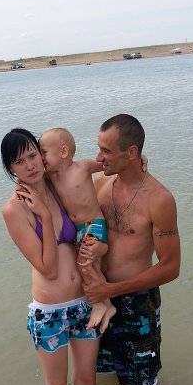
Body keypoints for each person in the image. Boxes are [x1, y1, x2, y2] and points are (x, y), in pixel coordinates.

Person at [79, 114, 181, 385]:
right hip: (99, 300)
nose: (98, 158)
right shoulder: (100, 185)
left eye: (106, 151)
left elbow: (170, 267)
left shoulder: (158, 199)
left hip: (136, 303)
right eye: (98, 148)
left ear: (132, 152)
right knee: (102, 378)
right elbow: (60, 177)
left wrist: (112, 289)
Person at [1, 128, 101, 385]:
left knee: (87, 384)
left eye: (33, 155)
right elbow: (48, 268)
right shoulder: (14, 210)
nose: (30, 165)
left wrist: (134, 165)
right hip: (51, 312)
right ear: (11, 169)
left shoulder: (57, 184)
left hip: (84, 303)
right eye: (19, 162)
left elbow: (88, 175)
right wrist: (44, 216)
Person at [38, 127, 116, 333]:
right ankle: (107, 304)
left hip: (93, 223)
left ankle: (101, 303)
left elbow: (110, 163)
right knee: (90, 268)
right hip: (78, 231)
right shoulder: (50, 176)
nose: (41, 158)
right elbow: (31, 178)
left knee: (86, 264)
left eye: (44, 153)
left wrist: (139, 159)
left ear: (63, 152)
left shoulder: (83, 167)